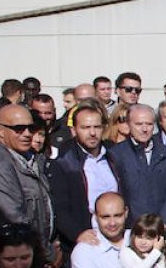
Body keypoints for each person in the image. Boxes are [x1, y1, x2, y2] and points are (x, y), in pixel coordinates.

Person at [0, 104, 59, 268]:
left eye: (31, 128)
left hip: (40, 257)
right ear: (0, 131)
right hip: (18, 263)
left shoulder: (34, 160)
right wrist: (48, 253)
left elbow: (47, 208)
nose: (27, 134)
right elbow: (16, 220)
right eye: (19, 129)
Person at [48, 101, 122, 251]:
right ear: (74, 130)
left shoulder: (115, 155)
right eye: (86, 128)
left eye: (97, 127)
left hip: (117, 236)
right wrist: (77, 234)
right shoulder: (64, 162)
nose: (92, 133)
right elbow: (60, 207)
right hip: (85, 240)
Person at [107, 104, 166, 232]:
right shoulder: (116, 154)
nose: (144, 129)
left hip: (161, 228)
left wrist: (164, 222)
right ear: (128, 125)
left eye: (149, 124)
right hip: (131, 228)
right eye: (138, 124)